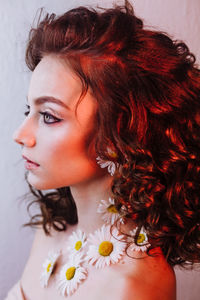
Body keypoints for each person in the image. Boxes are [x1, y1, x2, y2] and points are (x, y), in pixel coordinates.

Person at [6, 0, 200, 299]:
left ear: (118, 134)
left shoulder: (131, 286)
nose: (21, 135)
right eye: (28, 110)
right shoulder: (52, 231)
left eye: (49, 116)